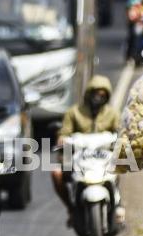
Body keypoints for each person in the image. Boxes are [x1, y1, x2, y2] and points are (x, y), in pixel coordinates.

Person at [51, 75, 121, 224]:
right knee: (56, 174)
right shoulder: (74, 112)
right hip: (79, 159)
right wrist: (62, 140)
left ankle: (117, 205)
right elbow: (64, 133)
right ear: (89, 93)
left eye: (103, 95)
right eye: (96, 93)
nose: (98, 98)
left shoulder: (112, 114)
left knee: (119, 170)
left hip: (102, 158)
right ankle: (71, 208)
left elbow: (121, 132)